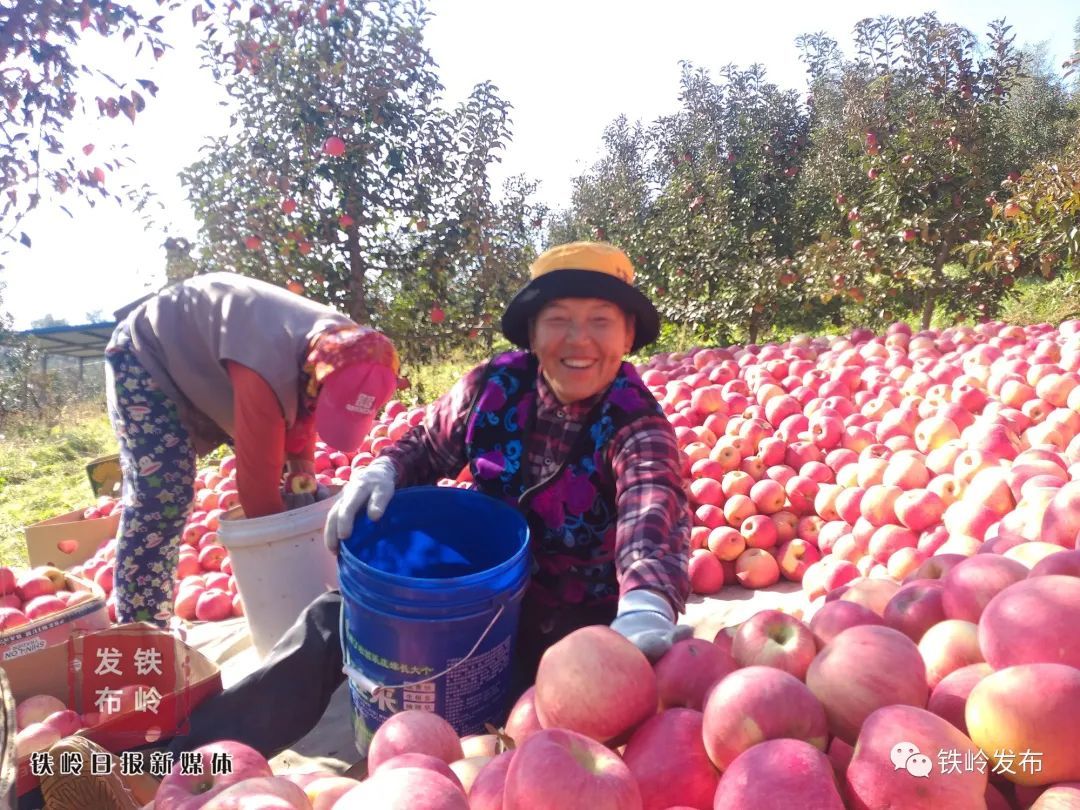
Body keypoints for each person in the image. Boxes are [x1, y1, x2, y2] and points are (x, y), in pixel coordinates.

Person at [42, 243, 691, 810]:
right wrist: (382, 471)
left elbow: (651, 510)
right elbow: (425, 446)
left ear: (628, 334)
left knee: (507, 754)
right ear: (533, 331)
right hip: (465, 595)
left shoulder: (635, 425)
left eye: (600, 322)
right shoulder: (496, 385)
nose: (579, 340)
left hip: (560, 632)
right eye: (560, 320)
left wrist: (644, 602)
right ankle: (161, 766)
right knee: (332, 620)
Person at [103, 272, 401, 626]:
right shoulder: (268, 366)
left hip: (219, 359)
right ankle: (142, 624)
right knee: (164, 493)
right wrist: (295, 577)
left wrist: (302, 481)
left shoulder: (351, 349)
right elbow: (257, 493)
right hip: (147, 353)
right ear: (316, 377)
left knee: (285, 476)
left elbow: (302, 417)